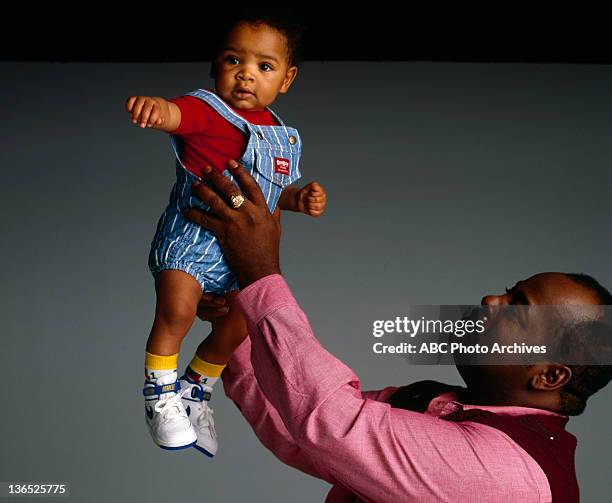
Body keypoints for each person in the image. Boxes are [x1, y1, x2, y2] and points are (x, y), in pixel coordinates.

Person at [183, 161, 612, 502]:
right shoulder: (435, 401)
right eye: (507, 292)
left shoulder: (511, 473)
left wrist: (260, 274)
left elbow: (333, 422)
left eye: (518, 307)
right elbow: (301, 432)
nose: (490, 301)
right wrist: (238, 320)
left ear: (550, 376)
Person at [125, 14, 327, 455]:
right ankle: (159, 394)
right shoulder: (206, 110)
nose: (246, 74)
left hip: (239, 257)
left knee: (239, 327)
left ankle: (196, 390)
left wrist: (299, 198)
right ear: (215, 66)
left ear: (287, 79)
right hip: (191, 241)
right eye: (234, 60)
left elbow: (271, 195)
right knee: (177, 311)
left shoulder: (283, 137)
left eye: (264, 66)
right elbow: (175, 115)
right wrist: (156, 110)